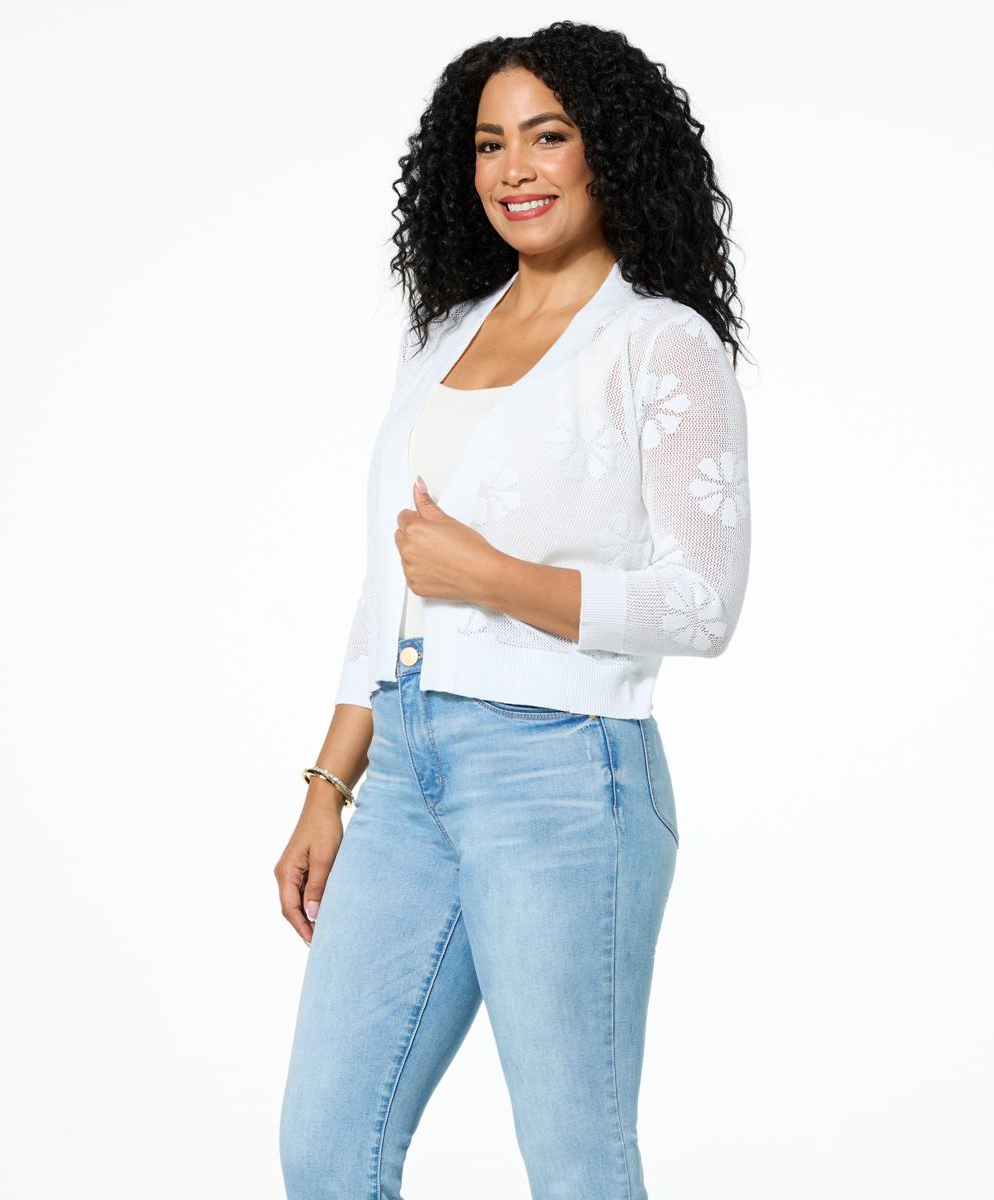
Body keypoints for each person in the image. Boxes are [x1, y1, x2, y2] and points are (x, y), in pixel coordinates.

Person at [276, 20, 751, 1200]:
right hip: (407, 774)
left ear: (609, 152)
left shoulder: (659, 343)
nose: (514, 170)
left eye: (548, 136)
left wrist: (491, 576)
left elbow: (703, 603)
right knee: (327, 1153)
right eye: (490, 144)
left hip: (564, 775)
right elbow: (391, 581)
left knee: (576, 1166)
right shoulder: (445, 334)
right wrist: (330, 783)